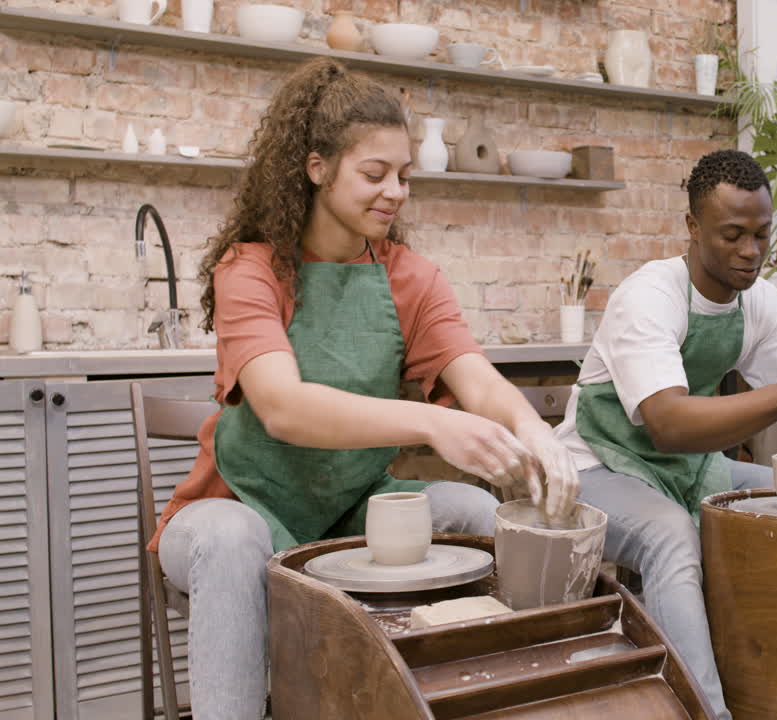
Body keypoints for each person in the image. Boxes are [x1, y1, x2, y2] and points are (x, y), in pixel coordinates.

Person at [146, 57, 579, 720]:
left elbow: (478, 379)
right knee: (232, 541)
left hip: (352, 511)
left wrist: (535, 435)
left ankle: (471, 702)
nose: (396, 191)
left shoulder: (413, 278)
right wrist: (431, 425)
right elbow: (284, 409)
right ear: (316, 167)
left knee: (469, 511)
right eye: (374, 174)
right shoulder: (252, 269)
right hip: (231, 510)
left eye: (404, 176)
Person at [553, 149, 777, 719]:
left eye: (762, 234)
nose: (751, 251)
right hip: (597, 467)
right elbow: (668, 425)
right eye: (733, 235)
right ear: (693, 228)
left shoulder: (760, 302)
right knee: (668, 534)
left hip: (685, 470)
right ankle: (708, 712)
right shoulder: (650, 297)